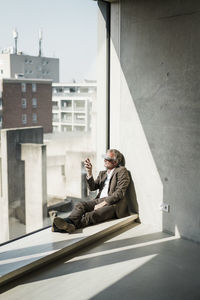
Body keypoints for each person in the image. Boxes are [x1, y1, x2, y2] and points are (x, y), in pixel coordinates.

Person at [52, 149, 131, 233]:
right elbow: (92, 187)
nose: (104, 160)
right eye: (104, 157)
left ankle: (61, 226)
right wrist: (89, 172)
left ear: (115, 162)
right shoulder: (102, 173)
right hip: (98, 200)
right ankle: (68, 224)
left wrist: (103, 203)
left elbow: (120, 193)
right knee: (80, 205)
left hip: (114, 204)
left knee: (91, 215)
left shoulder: (121, 171)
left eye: (107, 158)